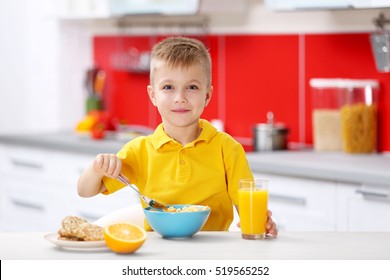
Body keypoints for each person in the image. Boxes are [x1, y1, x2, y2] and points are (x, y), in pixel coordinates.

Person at [77, 36, 278, 237]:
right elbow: (85, 191)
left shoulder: (227, 149)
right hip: (156, 257)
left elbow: (250, 212)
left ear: (207, 95)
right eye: (168, 87)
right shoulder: (140, 151)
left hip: (214, 254)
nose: (179, 98)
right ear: (153, 95)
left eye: (192, 87)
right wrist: (96, 168)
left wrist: (263, 224)